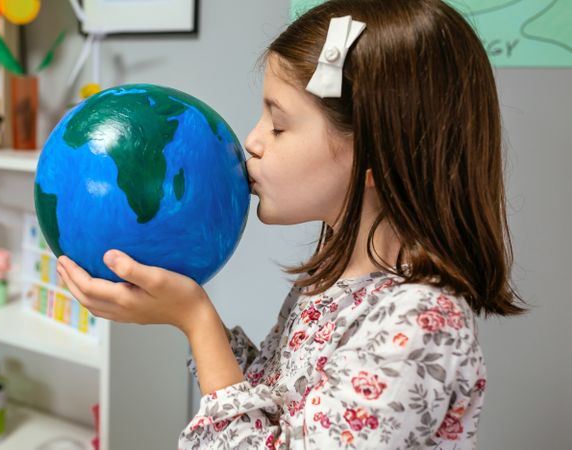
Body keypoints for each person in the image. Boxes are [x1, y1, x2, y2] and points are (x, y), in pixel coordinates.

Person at [56, 0, 525, 447]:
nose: (253, 141)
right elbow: (272, 406)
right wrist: (186, 315)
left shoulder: (422, 323)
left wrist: (196, 320)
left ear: (375, 156)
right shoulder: (335, 278)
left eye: (278, 126)